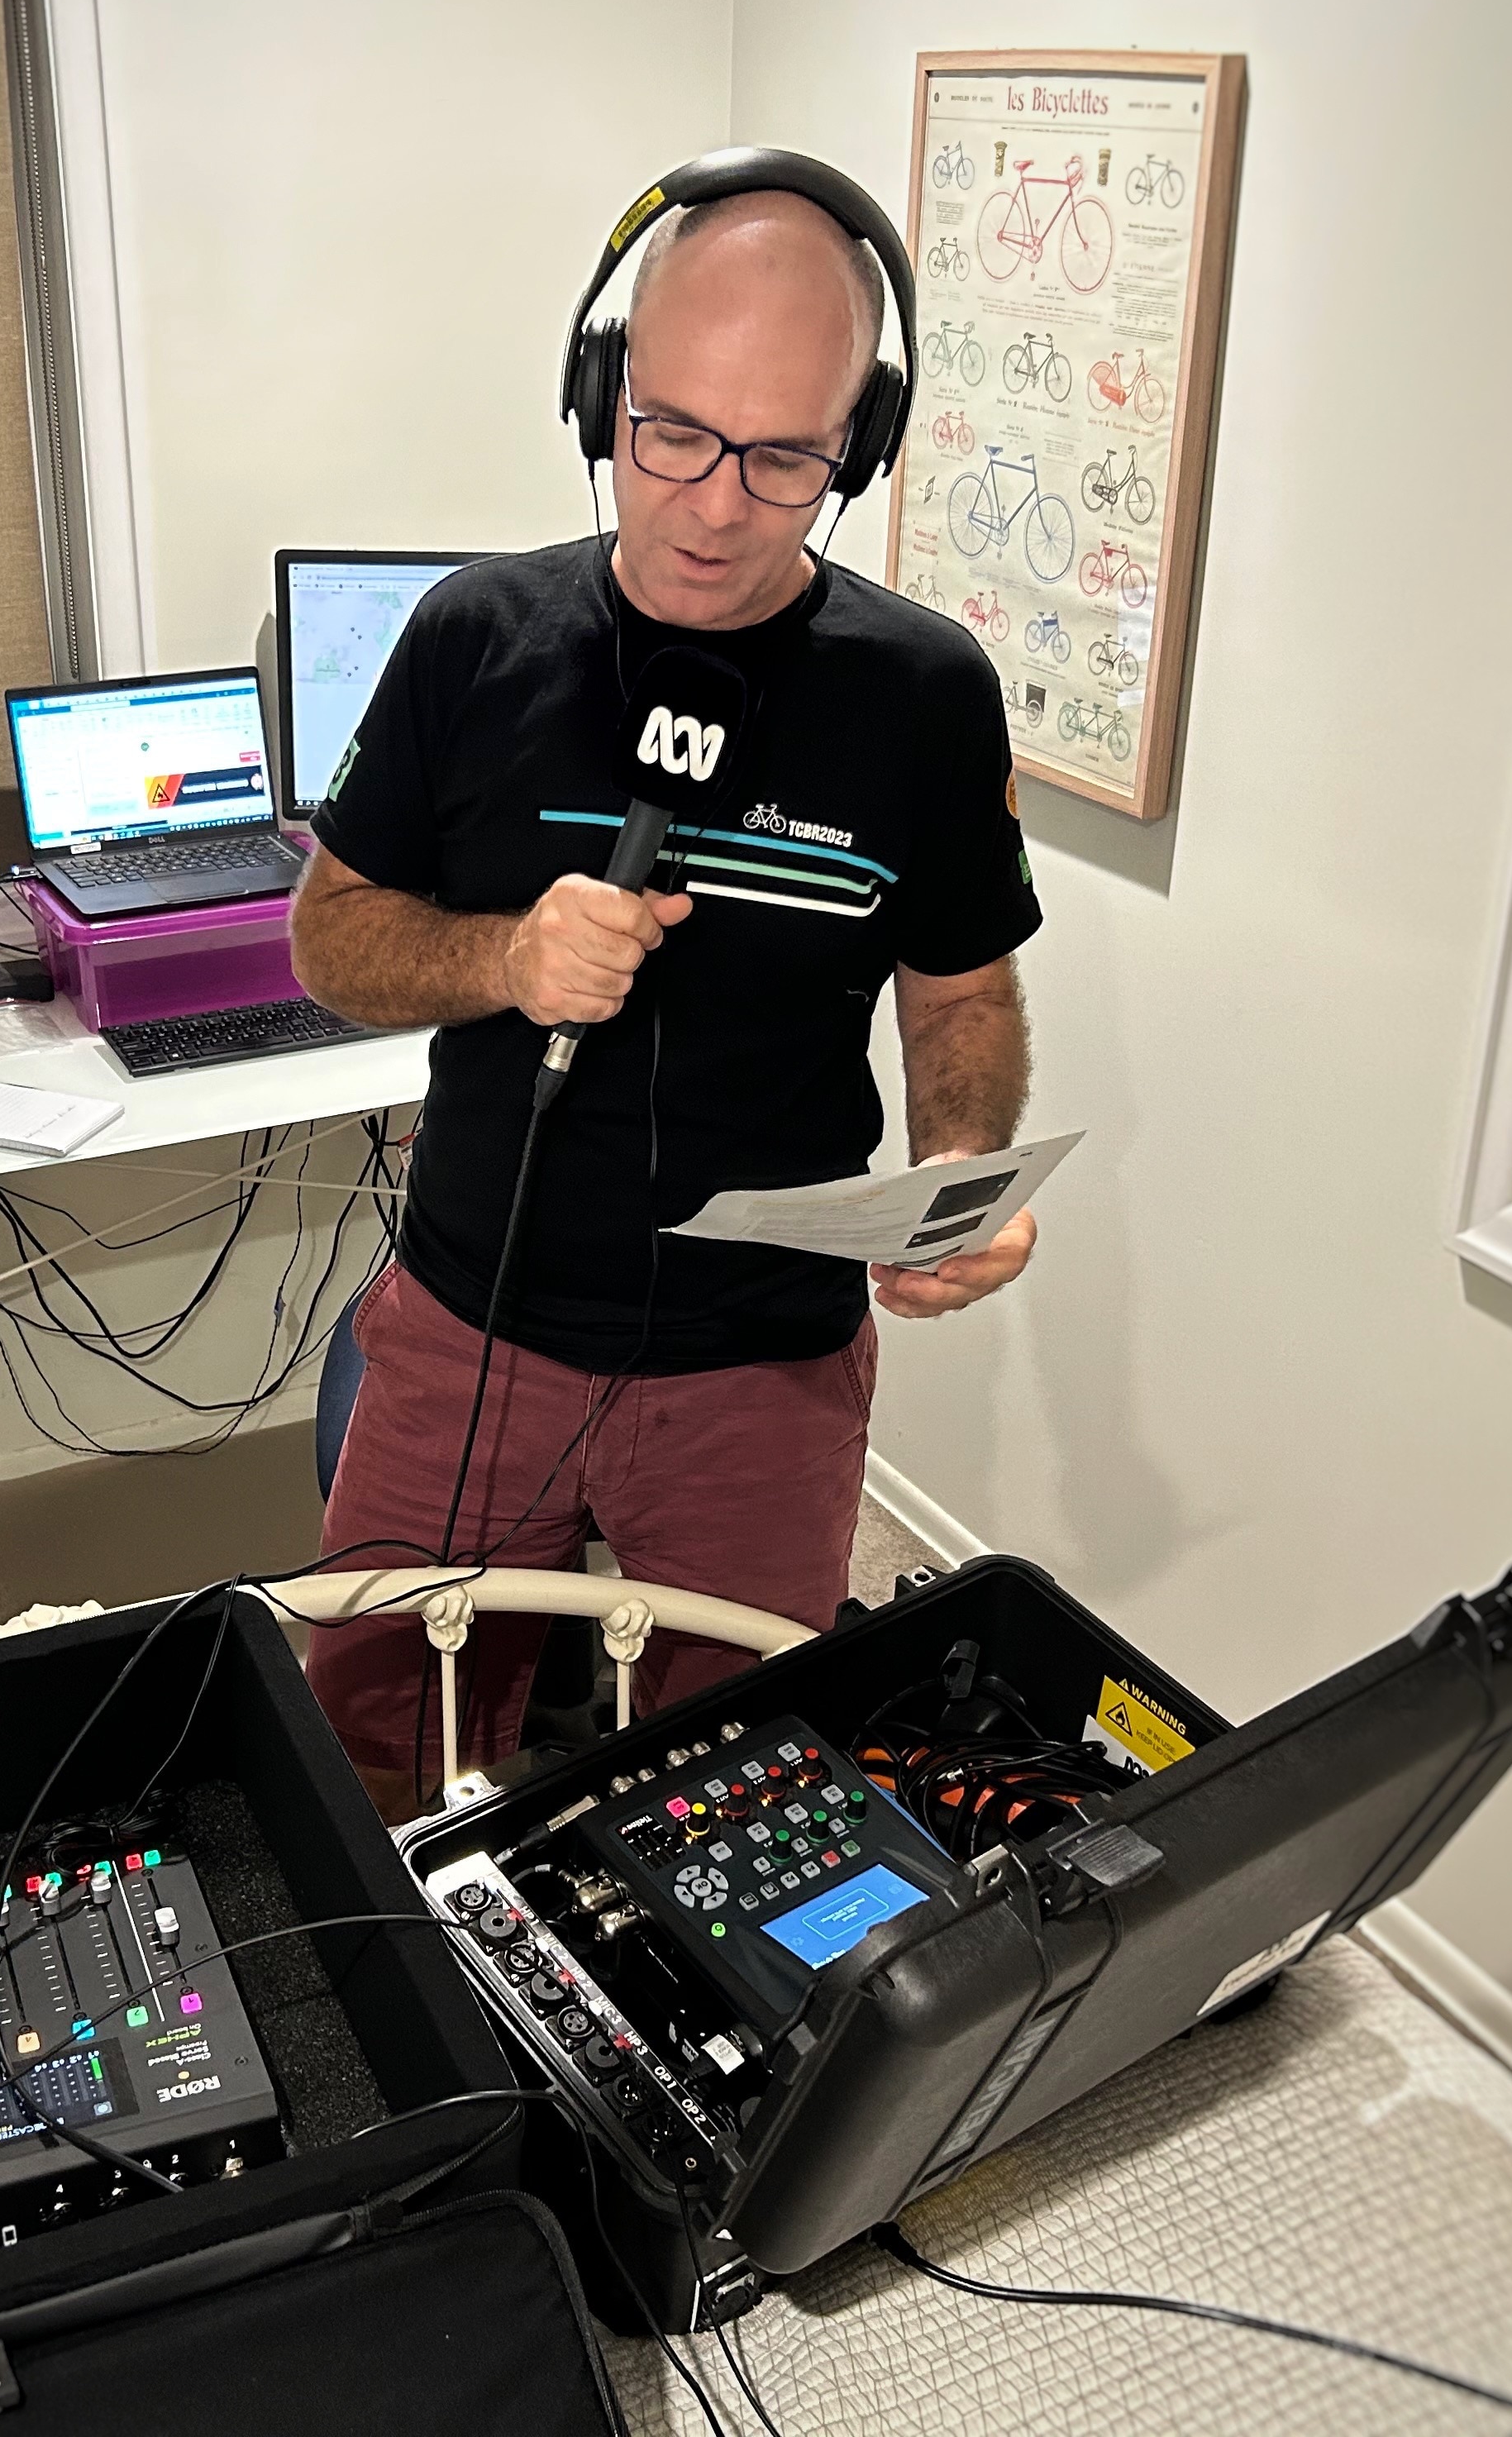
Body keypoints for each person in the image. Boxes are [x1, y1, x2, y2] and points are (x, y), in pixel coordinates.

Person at [288, 165, 1042, 1816]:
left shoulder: (925, 696)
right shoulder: (472, 640)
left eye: (783, 458)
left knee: (748, 1799)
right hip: (473, 1327)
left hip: (764, 1369)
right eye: (674, 434)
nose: (713, 506)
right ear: (601, 396)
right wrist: (503, 957)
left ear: (861, 443)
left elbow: (963, 997)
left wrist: (958, 1171)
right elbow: (331, 938)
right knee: (369, 1770)